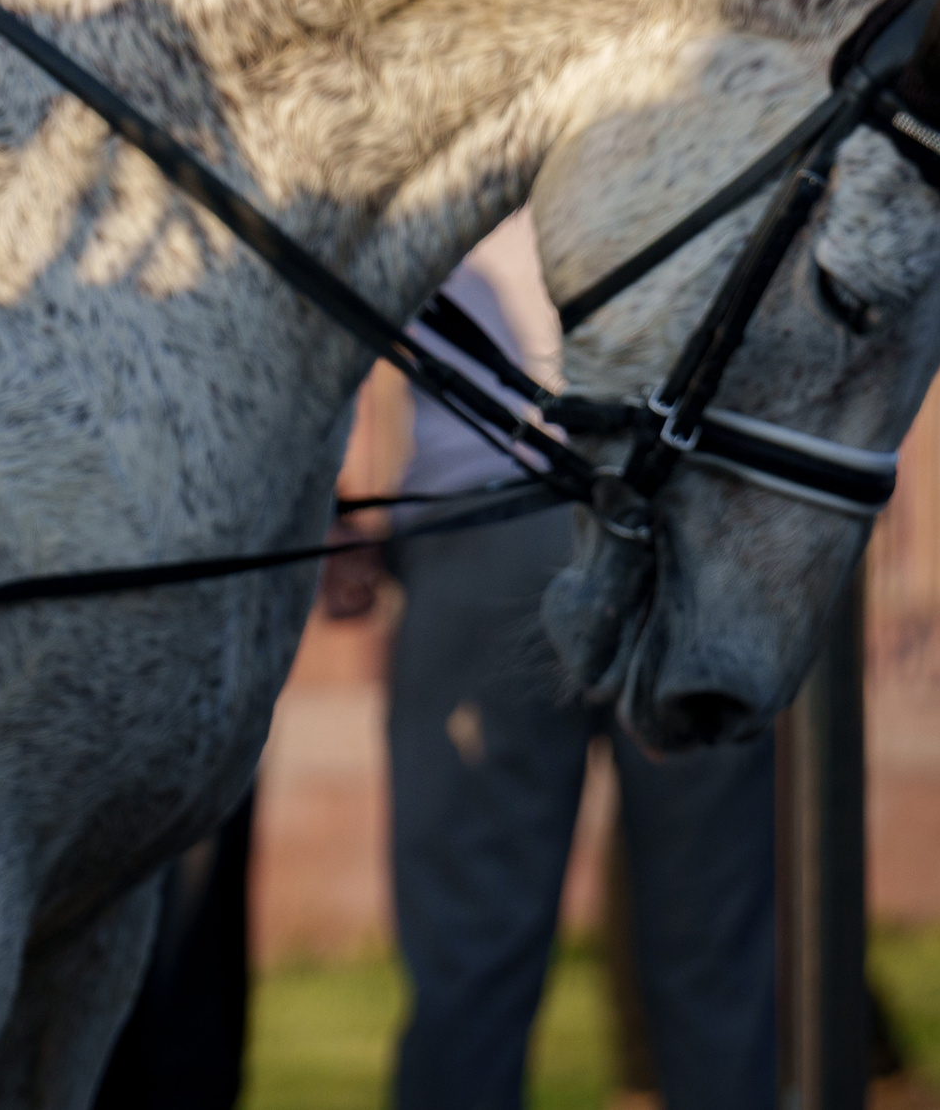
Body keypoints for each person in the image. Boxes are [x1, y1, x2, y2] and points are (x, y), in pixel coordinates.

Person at [321, 221, 778, 1110]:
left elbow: (326, 268)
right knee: (715, 963)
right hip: (685, 519)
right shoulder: (705, 82)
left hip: (490, 517)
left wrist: (325, 500)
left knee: (471, 959)